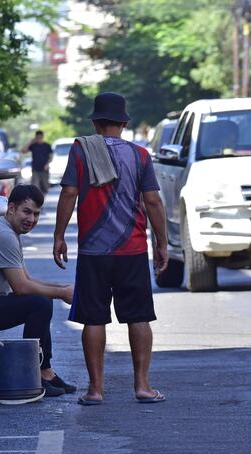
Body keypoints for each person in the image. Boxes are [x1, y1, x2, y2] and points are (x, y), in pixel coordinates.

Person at [53, 92, 169, 406]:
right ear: (123, 123)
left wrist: (59, 236)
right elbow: (154, 202)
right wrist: (161, 242)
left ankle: (95, 390)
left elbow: (68, 194)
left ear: (95, 122)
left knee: (93, 319)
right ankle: (143, 387)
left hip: (94, 252)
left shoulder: (81, 151)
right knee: (139, 317)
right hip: (131, 250)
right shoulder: (141, 155)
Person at [0, 184, 76, 397]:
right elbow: (21, 287)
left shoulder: (8, 230)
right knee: (39, 303)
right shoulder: (3, 235)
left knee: (42, 299)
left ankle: (46, 371)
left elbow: (27, 279)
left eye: (36, 214)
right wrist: (61, 294)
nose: (31, 219)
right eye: (27, 211)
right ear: (11, 208)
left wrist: (63, 288)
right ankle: (34, 372)